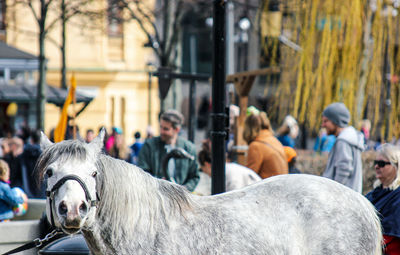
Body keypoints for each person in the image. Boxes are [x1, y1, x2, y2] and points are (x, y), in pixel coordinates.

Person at [137, 109, 200, 191]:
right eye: (161, 127)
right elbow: (141, 172)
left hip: (181, 199)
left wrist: (183, 190)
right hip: (155, 196)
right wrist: (157, 183)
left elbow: (194, 176)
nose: (161, 131)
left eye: (166, 129)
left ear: (176, 130)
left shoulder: (189, 148)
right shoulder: (149, 146)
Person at [321, 102, 364, 193]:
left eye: (326, 121)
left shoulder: (343, 141)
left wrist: (333, 192)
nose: (323, 125)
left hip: (342, 199)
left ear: (336, 121)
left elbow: (344, 169)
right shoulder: (349, 138)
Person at [366, 144, 400, 254]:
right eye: (376, 163)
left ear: (396, 166)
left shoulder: (398, 196)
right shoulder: (373, 194)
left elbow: (390, 237)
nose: (376, 167)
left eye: (381, 164)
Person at [194, 139, 261, 195]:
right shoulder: (227, 170)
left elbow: (235, 197)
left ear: (207, 164)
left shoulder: (230, 172)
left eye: (204, 170)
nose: (208, 175)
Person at [243, 107, 288, 179]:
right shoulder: (274, 140)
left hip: (268, 189)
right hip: (281, 187)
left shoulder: (256, 146)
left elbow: (249, 177)